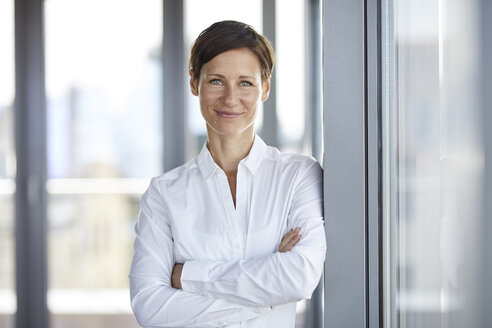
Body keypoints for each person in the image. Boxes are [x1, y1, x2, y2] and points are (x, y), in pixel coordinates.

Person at [129, 20, 326, 328]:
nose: (231, 98)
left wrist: (187, 275)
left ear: (266, 87)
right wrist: (266, 297)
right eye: (217, 81)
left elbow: (299, 278)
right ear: (194, 83)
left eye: (245, 83)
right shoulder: (164, 194)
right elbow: (150, 307)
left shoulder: (299, 176)